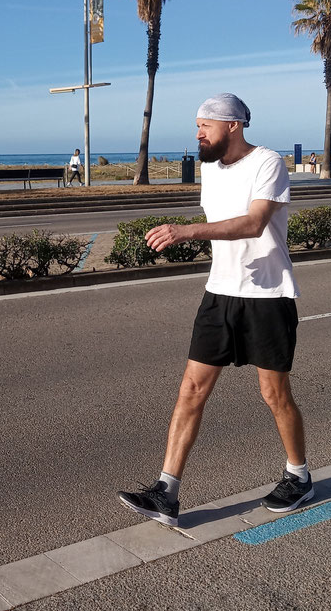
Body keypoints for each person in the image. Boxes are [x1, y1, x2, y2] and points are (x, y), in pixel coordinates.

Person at [117, 93, 311, 528]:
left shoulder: (268, 163)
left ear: (234, 126)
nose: (199, 133)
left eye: (206, 125)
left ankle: (298, 474)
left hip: (268, 296)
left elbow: (254, 222)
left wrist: (186, 231)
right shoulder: (208, 169)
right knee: (191, 390)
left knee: (273, 394)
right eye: (197, 126)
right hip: (220, 293)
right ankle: (166, 491)